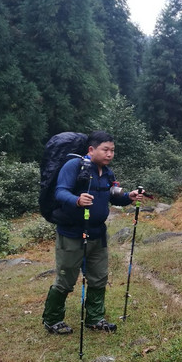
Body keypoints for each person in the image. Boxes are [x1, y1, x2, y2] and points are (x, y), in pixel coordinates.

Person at [41, 131, 143, 334]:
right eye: (105, 149)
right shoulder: (74, 166)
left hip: (98, 233)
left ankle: (95, 318)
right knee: (66, 279)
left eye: (112, 150)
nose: (110, 154)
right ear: (91, 150)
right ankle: (52, 319)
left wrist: (129, 196)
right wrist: (77, 200)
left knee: (98, 277)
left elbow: (113, 196)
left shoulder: (106, 172)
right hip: (71, 233)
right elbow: (60, 192)